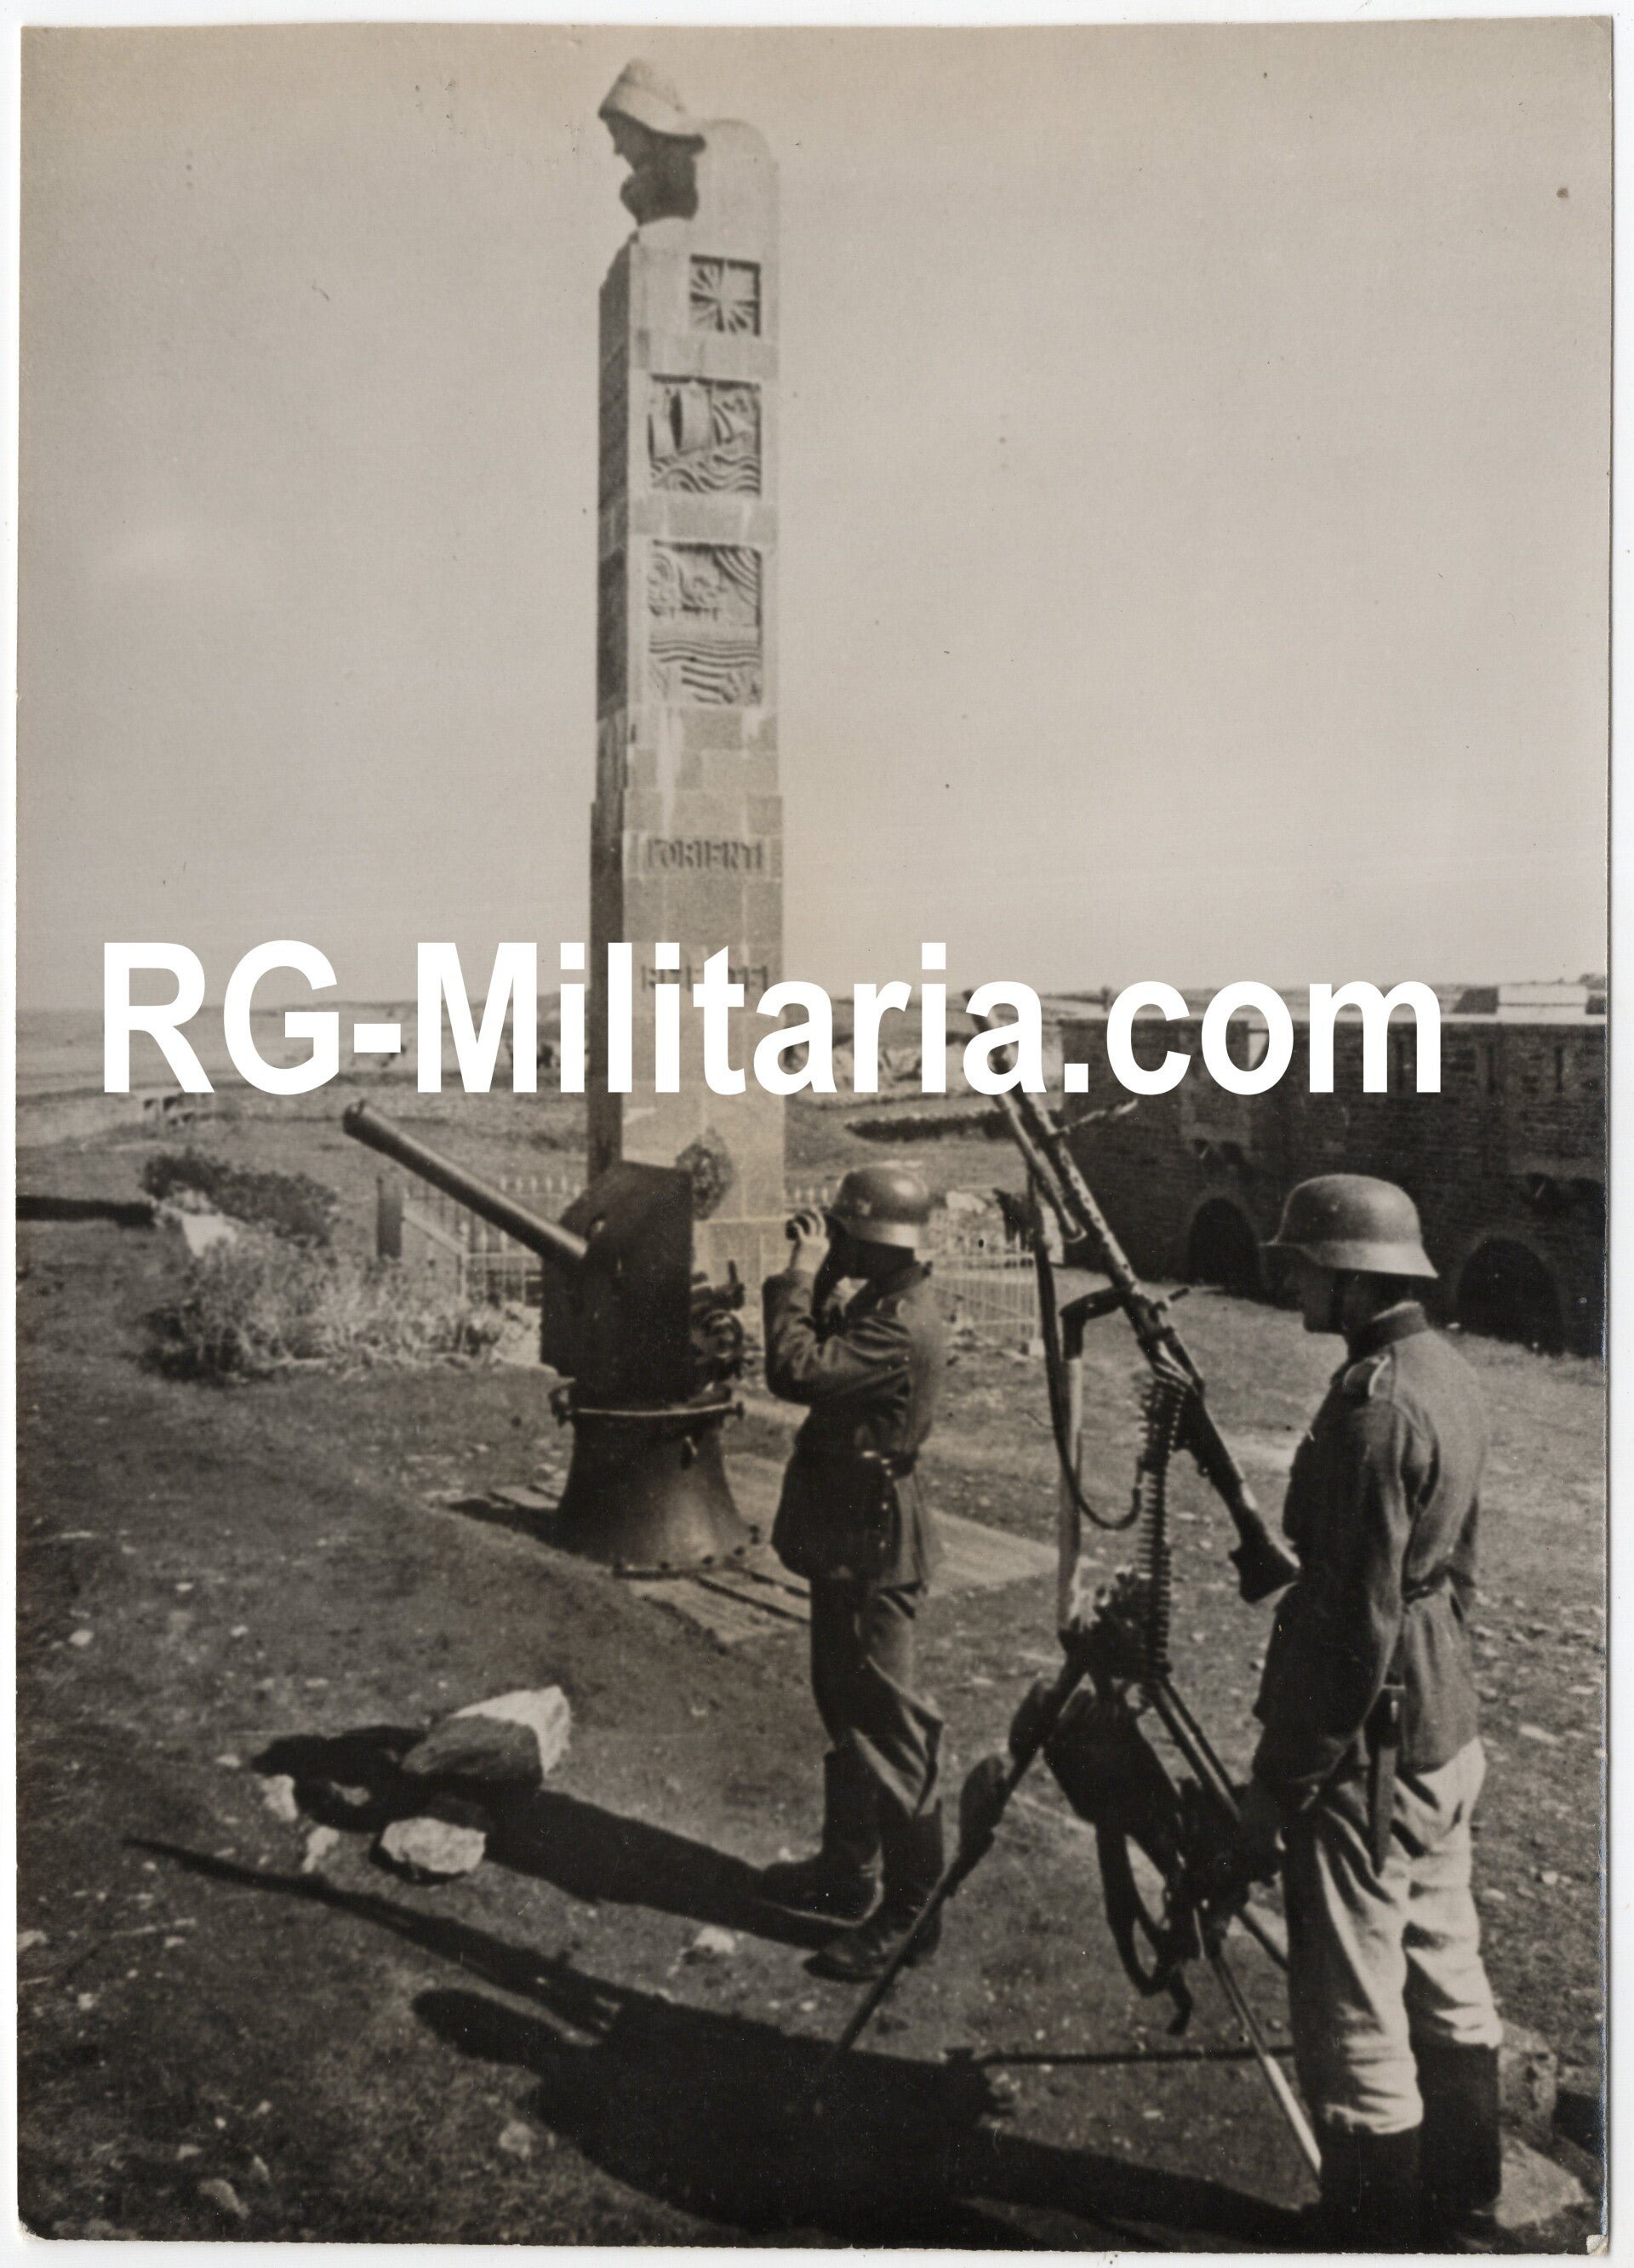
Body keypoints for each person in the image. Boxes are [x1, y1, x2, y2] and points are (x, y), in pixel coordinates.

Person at [1219, 1174, 1505, 2248]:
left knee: (1355, 2012)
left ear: (1350, 1275)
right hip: (1441, 1726)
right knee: (1447, 1963)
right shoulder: (1448, 1372)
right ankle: (1463, 2197)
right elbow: (1452, 1573)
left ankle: (1371, 2229)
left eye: (1305, 1265)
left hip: (1368, 1750)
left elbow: (1350, 1627)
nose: (1294, 1280)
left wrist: (1283, 1780)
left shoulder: (1375, 1404)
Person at [757, 1165, 947, 1983]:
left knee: (888, 1721)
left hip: (873, 1537)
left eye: (843, 1235)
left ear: (869, 1241)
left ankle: (910, 1912)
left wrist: (798, 1278)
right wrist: (830, 1270)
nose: (832, 1245)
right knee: (843, 1698)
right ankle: (847, 1868)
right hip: (847, 1522)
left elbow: (796, 1369)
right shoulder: (887, 1297)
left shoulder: (898, 1326)